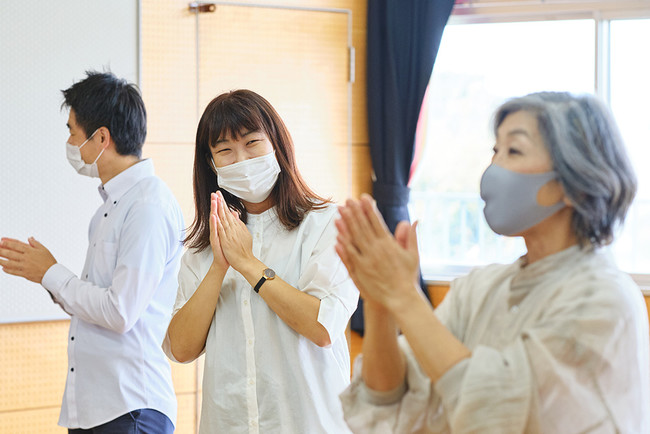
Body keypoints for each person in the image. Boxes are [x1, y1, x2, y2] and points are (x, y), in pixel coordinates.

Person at [335, 91, 649, 433]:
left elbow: (498, 416)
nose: (493, 169)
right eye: (495, 151)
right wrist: (380, 305)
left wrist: (404, 296)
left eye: (514, 151)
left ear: (578, 186)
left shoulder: (604, 301)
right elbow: (389, 402)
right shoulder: (480, 288)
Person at [163, 89, 359, 433]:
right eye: (225, 150)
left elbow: (322, 326)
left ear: (277, 145)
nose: (241, 160)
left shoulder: (326, 224)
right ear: (211, 164)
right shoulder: (203, 244)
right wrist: (220, 265)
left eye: (252, 143)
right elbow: (180, 348)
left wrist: (248, 264)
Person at [0, 71, 184, 433]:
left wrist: (51, 272)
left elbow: (120, 311)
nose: (69, 141)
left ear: (102, 137)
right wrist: (45, 276)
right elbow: (98, 301)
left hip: (131, 408)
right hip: (97, 408)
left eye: (72, 131)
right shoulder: (109, 207)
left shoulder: (148, 205)